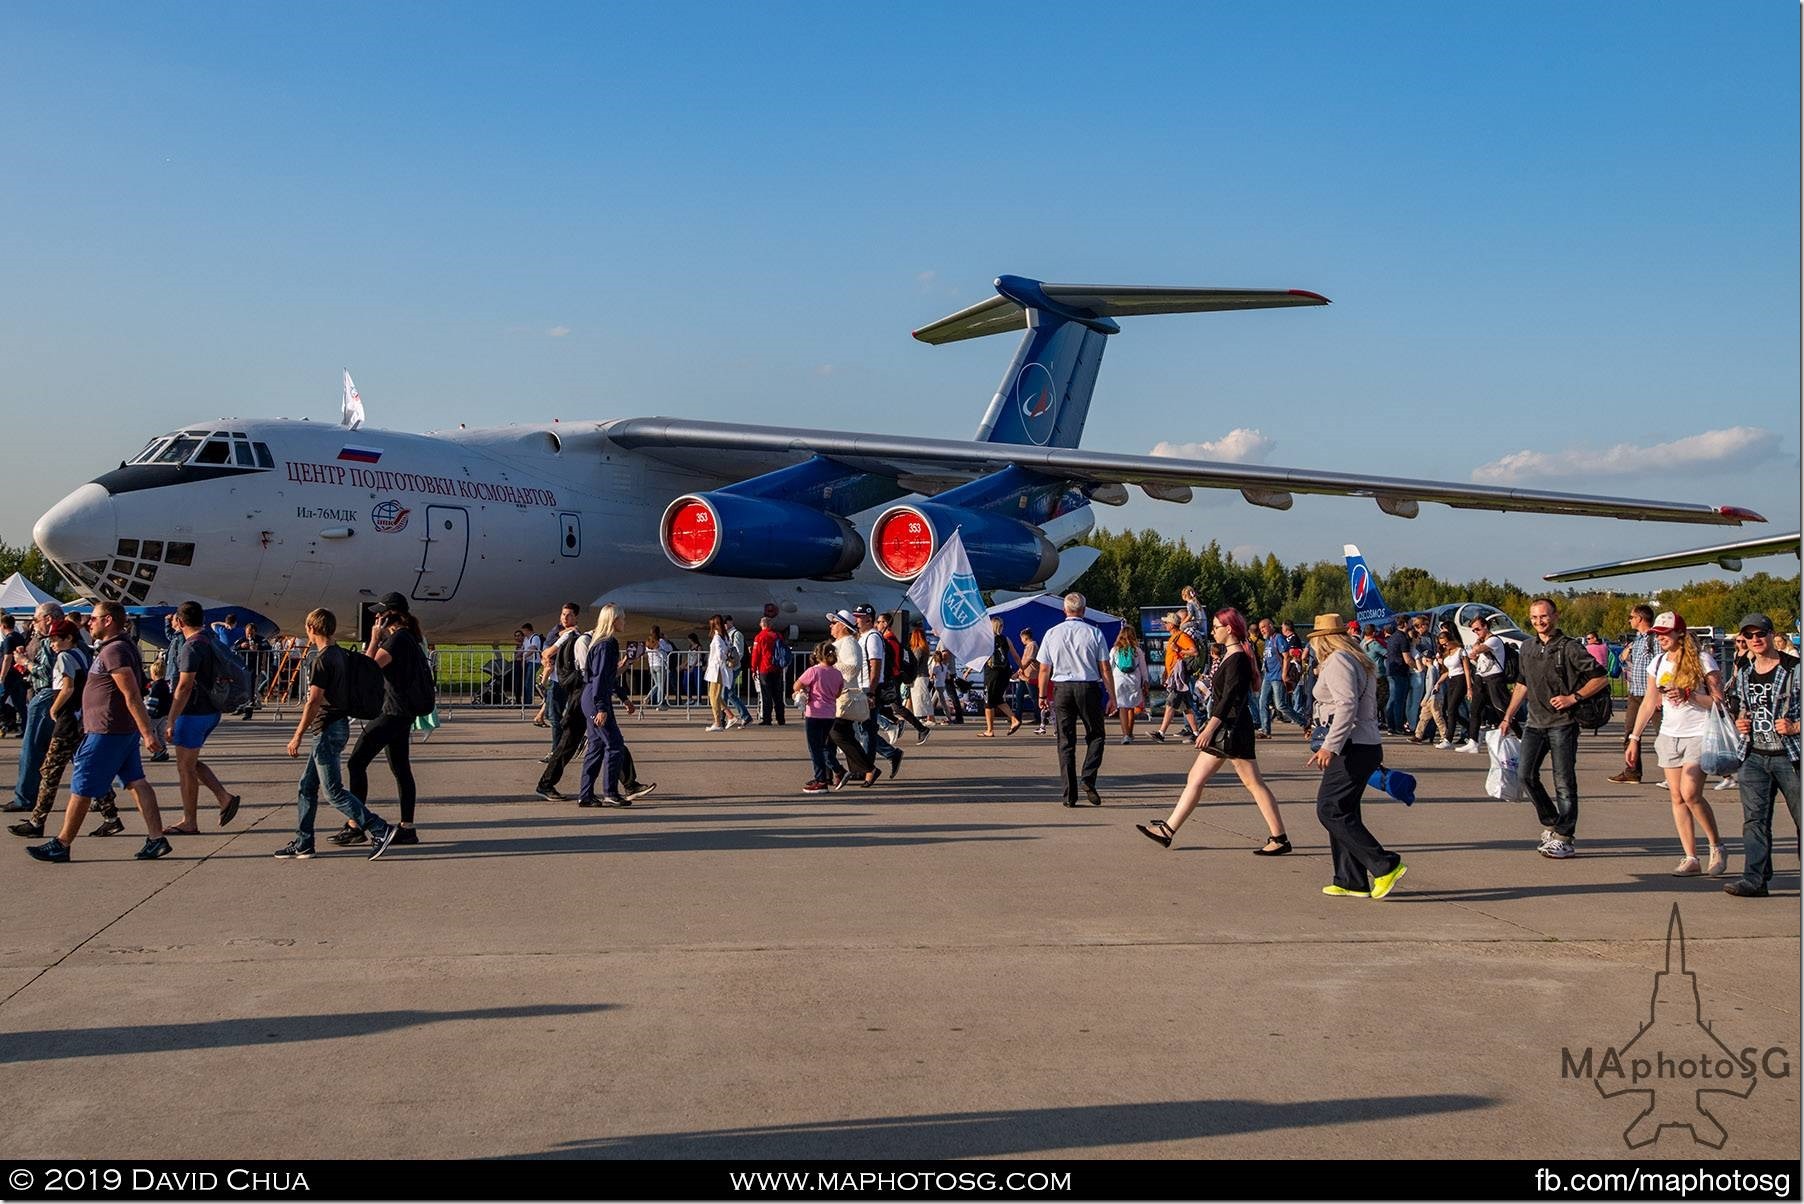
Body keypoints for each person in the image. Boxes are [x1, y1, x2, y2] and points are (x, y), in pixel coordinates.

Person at [25, 601, 172, 864]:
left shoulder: (114, 651)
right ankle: (156, 838)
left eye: (93, 618)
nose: (87, 622)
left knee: (82, 785)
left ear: (109, 620)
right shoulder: (113, 648)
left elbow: (131, 695)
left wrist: (148, 733)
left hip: (108, 732)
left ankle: (62, 843)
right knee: (136, 782)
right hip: (117, 730)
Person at [1136, 608, 1288, 853]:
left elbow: (1230, 699)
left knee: (1254, 784)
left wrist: (1209, 728)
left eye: (1216, 626)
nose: (1213, 631)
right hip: (1228, 728)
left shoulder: (1237, 658)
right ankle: (1168, 829)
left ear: (1229, 629)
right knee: (1198, 779)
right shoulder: (1232, 655)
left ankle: (1279, 838)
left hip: (1231, 730)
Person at [273, 608, 397, 861]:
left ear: (311, 629)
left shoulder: (322, 660)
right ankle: (304, 842)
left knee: (333, 791)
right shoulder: (340, 653)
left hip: (327, 728)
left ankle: (379, 828)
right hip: (336, 725)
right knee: (306, 787)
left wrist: (297, 735)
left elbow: (313, 701)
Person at [1496, 598, 1610, 861]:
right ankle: (1552, 822)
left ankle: (1565, 837)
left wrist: (1575, 697)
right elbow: (1522, 684)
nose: (1539, 622)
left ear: (1556, 616)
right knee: (1525, 775)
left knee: (1564, 782)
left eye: (1544, 617)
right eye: (1534, 618)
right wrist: (1508, 716)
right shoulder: (1527, 647)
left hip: (1563, 724)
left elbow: (1601, 677)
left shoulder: (1569, 648)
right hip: (1534, 724)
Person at [1301, 614, 1405, 899]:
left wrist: (1330, 745)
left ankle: (1384, 864)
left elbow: (1346, 705)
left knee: (1329, 809)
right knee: (1344, 809)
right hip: (1363, 744)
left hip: (1351, 745)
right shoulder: (1356, 660)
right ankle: (1350, 878)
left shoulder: (1338, 661)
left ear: (1323, 639)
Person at [1625, 612, 1726, 876]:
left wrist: (1689, 694)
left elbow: (1718, 701)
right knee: (1677, 796)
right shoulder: (1657, 663)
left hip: (1699, 732)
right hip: (1669, 735)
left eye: (1666, 633)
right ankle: (1690, 856)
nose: (1661, 638)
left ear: (1680, 633)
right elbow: (1649, 702)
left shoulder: (1703, 660)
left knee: (1691, 793)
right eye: (1658, 633)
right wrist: (1634, 738)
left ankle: (1716, 846)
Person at [8, 619, 124, 840]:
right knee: (89, 768)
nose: (52, 644)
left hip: (67, 721)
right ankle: (110, 816)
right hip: (81, 719)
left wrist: (54, 707)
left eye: (56, 639)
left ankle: (37, 820)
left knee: (50, 771)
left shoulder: (64, 657)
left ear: (68, 638)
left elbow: (67, 687)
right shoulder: (83, 655)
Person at [335, 592, 432, 847]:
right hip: (401, 713)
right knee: (401, 768)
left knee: (356, 762)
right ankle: (407, 827)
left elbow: (369, 668)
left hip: (392, 712)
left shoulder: (397, 640)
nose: (376, 617)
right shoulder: (409, 637)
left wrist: (375, 639)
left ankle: (357, 824)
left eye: (380, 614)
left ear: (391, 615)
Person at [1722, 613, 1799, 897]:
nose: (1755, 640)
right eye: (1749, 636)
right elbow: (1740, 705)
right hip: (1754, 755)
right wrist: (1741, 720)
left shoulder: (1795, 669)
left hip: (1790, 755)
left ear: (1771, 634)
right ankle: (1755, 879)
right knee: (1754, 820)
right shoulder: (1744, 672)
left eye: (1760, 634)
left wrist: (1795, 726)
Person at [162, 600, 242, 836]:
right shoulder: (209, 639)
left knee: (184, 767)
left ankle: (190, 821)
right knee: (190, 763)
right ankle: (224, 797)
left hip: (193, 712)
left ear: (180, 621)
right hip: (210, 710)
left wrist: (170, 718)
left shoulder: (191, 646)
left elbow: (184, 686)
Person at [1036, 593, 1112, 808]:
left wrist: (1043, 695)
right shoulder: (1095, 633)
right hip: (1088, 686)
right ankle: (1088, 776)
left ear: (1065, 610)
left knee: (1065, 741)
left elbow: (1044, 668)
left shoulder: (1052, 633)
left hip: (1062, 688)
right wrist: (1112, 695)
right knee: (1096, 735)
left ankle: (1069, 794)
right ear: (1084, 610)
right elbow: (1104, 667)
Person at [578, 604, 645, 807]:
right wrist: (601, 707)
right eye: (622, 618)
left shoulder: (604, 643)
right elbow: (599, 678)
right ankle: (610, 792)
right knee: (614, 744)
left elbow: (608, 677)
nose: (624, 622)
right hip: (596, 698)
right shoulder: (607, 645)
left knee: (597, 746)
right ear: (613, 620)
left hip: (593, 696)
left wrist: (624, 698)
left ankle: (586, 794)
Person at [793, 641, 879, 791]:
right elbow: (838, 692)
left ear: (817, 655)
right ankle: (833, 772)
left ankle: (822, 779)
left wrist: (807, 691)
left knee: (815, 748)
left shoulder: (813, 671)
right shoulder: (837, 673)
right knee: (824, 746)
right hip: (830, 713)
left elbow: (796, 685)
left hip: (814, 713)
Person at [7, 602, 67, 815]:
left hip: (45, 695)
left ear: (48, 619)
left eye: (36, 619)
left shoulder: (51, 640)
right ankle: (102, 796)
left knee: (32, 749)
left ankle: (24, 797)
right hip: (52, 695)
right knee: (67, 750)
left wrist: (25, 661)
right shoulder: (50, 638)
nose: (33, 623)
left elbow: (48, 672)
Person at [1609, 604, 1659, 785]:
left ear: (1640, 619)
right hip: (1635, 692)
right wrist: (1624, 656)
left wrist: (1659, 692)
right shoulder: (1637, 640)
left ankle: (1676, 769)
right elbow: (1630, 663)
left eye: (1631, 617)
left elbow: (1661, 666)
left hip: (1652, 694)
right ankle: (1632, 771)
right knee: (1630, 733)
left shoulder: (1655, 639)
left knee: (1663, 733)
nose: (1629, 620)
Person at [852, 604, 904, 777]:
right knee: (862, 729)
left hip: (870, 687)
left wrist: (871, 691)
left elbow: (875, 666)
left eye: (859, 617)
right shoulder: (863, 636)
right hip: (862, 687)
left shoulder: (872, 637)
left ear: (869, 619)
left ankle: (866, 768)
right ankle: (890, 754)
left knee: (866, 730)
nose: (856, 620)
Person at [874, 612, 929, 745]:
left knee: (893, 706)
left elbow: (894, 662)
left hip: (893, 678)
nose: (877, 624)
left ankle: (919, 728)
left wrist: (890, 676)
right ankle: (900, 723)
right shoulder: (887, 639)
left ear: (886, 624)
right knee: (883, 705)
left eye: (879, 621)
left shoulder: (890, 640)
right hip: (893, 677)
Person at [1458, 617, 1508, 753]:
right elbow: (1474, 656)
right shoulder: (1482, 640)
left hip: (1494, 678)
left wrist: (1476, 647)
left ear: (1486, 626)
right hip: (1481, 677)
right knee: (1475, 710)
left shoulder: (1494, 640)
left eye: (1478, 629)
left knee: (1501, 708)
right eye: (1474, 630)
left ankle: (1520, 737)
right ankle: (1473, 740)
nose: (1476, 632)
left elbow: (1478, 650)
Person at [1152, 612, 1201, 743]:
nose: (1165, 624)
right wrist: (1165, 673)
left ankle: (1161, 733)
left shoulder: (1181, 636)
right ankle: (1196, 733)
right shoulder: (1174, 636)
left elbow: (1194, 651)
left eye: (1167, 623)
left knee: (1170, 704)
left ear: (1172, 625)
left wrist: (1179, 650)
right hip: (1174, 676)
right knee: (1186, 707)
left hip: (1179, 678)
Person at [1255, 618, 1300, 736]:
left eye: (1263, 627)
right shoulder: (1268, 641)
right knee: (1262, 701)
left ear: (1270, 626)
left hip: (1277, 676)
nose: (1262, 630)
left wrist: (1284, 674)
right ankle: (1265, 730)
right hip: (1268, 676)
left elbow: (1286, 656)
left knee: (1280, 705)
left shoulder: (1278, 638)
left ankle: (1303, 721)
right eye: (1260, 629)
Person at [979, 616, 1020, 738]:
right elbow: (1015, 655)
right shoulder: (1006, 639)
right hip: (1004, 672)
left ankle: (989, 730)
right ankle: (1014, 719)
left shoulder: (987, 640)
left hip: (992, 672)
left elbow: (981, 656)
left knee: (988, 701)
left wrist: (969, 669)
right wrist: (1021, 668)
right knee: (997, 698)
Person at [1109, 627, 1148, 744]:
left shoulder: (1115, 650)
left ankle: (1125, 735)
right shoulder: (1137, 650)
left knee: (1122, 708)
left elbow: (1110, 666)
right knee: (1131, 707)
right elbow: (1143, 668)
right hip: (1134, 680)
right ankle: (1130, 733)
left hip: (1119, 680)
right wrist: (1145, 681)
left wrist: (1108, 683)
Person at [702, 615, 739, 732]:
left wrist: (720, 659)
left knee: (713, 696)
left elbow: (720, 654)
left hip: (718, 669)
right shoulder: (725, 637)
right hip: (721, 669)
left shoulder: (718, 638)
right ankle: (730, 716)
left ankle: (718, 722)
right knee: (715, 695)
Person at [751, 616, 788, 726]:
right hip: (777, 668)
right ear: (770, 625)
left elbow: (755, 655)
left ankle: (767, 719)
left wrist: (753, 669)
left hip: (764, 669)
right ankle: (781, 719)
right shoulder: (778, 636)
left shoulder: (759, 637)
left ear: (761, 624)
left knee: (766, 695)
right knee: (778, 695)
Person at [720, 616, 753, 727]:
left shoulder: (736, 634)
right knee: (729, 692)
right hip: (730, 667)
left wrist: (732, 664)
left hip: (734, 667)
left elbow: (739, 652)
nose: (724, 625)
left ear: (730, 622)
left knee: (726, 692)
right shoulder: (727, 634)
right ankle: (744, 716)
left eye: (725, 623)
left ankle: (723, 718)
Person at [1016, 627, 1043, 733]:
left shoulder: (1032, 645)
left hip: (1031, 675)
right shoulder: (1028, 646)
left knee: (1034, 697)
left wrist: (1021, 669)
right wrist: (1020, 671)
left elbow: (1029, 659)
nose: (1021, 641)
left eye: (1021, 638)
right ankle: (1017, 717)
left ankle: (1039, 717)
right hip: (1024, 675)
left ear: (1025, 637)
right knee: (1019, 696)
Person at [644, 625, 674, 710]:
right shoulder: (660, 641)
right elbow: (670, 649)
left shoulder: (648, 641)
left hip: (651, 665)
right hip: (660, 664)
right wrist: (666, 640)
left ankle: (648, 697)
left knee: (657, 684)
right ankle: (659, 703)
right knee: (660, 685)